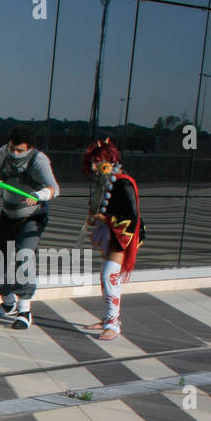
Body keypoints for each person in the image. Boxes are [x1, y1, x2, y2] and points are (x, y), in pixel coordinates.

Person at [0, 126, 60, 330]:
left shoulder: (39, 161)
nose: (15, 154)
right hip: (8, 216)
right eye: (12, 149)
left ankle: (24, 310)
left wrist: (38, 196)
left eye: (20, 151)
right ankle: (8, 305)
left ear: (30, 148)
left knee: (24, 256)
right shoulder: (4, 152)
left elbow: (54, 188)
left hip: (32, 217)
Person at [79, 137, 145, 340]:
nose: (94, 166)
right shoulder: (107, 182)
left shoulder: (123, 183)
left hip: (122, 234)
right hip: (110, 232)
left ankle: (113, 324)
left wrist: (104, 218)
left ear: (110, 161)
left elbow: (132, 218)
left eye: (98, 161)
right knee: (107, 277)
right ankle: (110, 318)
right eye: (93, 161)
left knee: (110, 276)